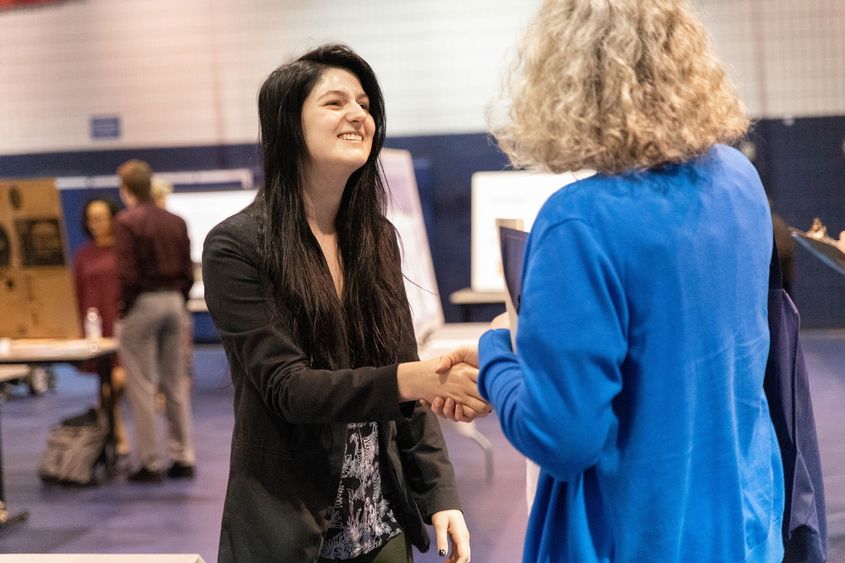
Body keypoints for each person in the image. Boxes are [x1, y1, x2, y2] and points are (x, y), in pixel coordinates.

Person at [439, 1, 785, 561]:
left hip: (639, 532)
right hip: (744, 521)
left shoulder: (579, 220)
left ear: (566, 78)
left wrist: (499, 349)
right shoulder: (740, 180)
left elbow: (559, 437)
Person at [202, 44, 485, 563]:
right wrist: (414, 379)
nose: (359, 114)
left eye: (364, 103)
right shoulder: (236, 247)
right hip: (287, 532)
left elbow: (403, 370)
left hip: (381, 527)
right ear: (289, 126)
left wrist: (440, 494)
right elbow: (291, 390)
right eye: (335, 103)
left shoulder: (375, 238)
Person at [114, 159, 196, 483]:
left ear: (125, 190)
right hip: (175, 302)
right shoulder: (176, 221)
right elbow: (189, 272)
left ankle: (148, 462)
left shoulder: (127, 221)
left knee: (142, 386)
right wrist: (180, 300)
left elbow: (127, 273)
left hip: (144, 303)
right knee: (175, 384)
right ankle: (183, 458)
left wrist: (126, 309)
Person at [73, 197, 129, 455]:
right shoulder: (83, 254)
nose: (95, 224)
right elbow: (77, 290)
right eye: (91, 219)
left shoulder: (124, 249)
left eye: (101, 218)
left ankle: (105, 419)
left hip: (121, 321)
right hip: (94, 322)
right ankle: (115, 432)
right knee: (105, 380)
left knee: (120, 379)